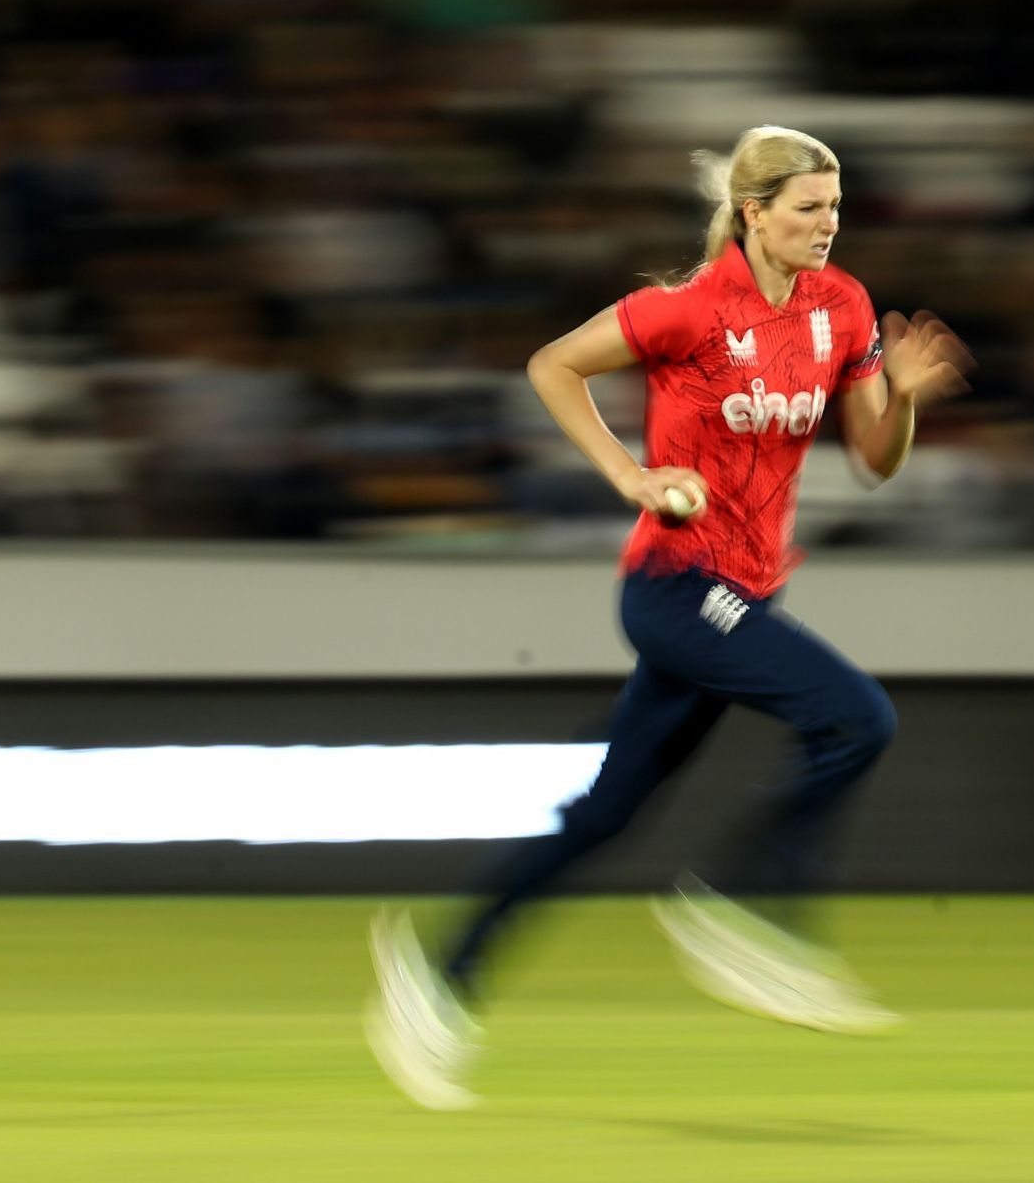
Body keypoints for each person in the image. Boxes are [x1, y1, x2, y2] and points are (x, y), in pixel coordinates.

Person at [367, 126, 975, 1109]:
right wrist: (632, 476)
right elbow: (553, 365)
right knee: (858, 717)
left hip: (741, 595)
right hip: (676, 589)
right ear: (754, 214)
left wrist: (900, 399)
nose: (828, 225)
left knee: (602, 815)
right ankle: (745, 912)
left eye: (834, 206)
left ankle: (436, 978)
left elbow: (876, 455)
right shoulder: (686, 309)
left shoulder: (842, 306)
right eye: (808, 208)